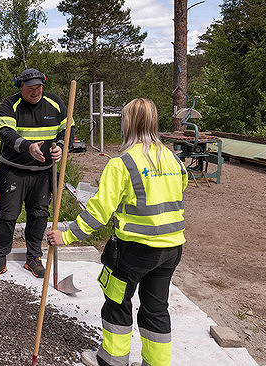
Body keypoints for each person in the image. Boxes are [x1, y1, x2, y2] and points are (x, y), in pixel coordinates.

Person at [47, 98, 188, 366]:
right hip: (171, 249)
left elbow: (98, 213)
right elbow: (178, 193)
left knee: (117, 302)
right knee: (156, 309)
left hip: (134, 251)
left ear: (127, 123)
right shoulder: (173, 159)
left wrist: (66, 236)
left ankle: (111, 361)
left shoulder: (122, 164)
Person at [0, 68, 73, 281]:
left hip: (43, 173)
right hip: (13, 171)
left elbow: (67, 131)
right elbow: (5, 133)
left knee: (39, 215)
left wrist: (60, 146)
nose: (36, 92)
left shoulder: (55, 103)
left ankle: (33, 258)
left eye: (39, 87)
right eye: (31, 88)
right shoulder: (9, 105)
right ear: (21, 87)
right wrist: (27, 147)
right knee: (6, 216)